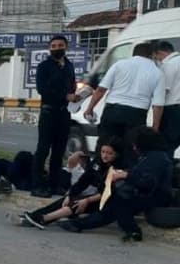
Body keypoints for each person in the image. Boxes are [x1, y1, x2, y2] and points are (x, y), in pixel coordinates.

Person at [60, 127, 173, 242]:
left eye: (135, 144)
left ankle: (131, 230)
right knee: (116, 202)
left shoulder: (156, 158)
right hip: (146, 192)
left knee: (119, 204)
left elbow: (148, 182)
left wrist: (126, 176)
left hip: (156, 195)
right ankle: (78, 223)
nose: (134, 147)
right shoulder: (150, 155)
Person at [20, 139, 124, 228]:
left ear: (117, 154)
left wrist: (86, 200)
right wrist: (70, 194)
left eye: (110, 153)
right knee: (65, 200)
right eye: (103, 152)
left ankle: (43, 219)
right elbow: (83, 181)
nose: (105, 156)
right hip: (96, 195)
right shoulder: (98, 162)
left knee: (77, 203)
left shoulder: (118, 169)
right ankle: (34, 216)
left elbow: (108, 193)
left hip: (108, 201)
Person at [83, 41, 163, 144]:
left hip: (113, 112)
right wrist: (155, 127)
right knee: (131, 148)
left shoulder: (119, 65)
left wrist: (90, 108)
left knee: (106, 145)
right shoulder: (158, 73)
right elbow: (158, 105)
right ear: (152, 55)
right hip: (137, 115)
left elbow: (101, 89)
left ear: (134, 53)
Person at [31, 35, 78, 198]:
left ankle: (54, 183)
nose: (57, 48)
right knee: (43, 149)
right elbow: (41, 88)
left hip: (64, 113)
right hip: (48, 112)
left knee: (59, 151)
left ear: (66, 47)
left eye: (60, 45)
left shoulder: (69, 66)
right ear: (49, 48)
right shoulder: (44, 66)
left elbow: (72, 85)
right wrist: (64, 96)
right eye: (54, 46)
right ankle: (36, 185)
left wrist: (76, 95)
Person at [154, 40, 180, 153]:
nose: (157, 61)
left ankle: (165, 170)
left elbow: (163, 91)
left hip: (172, 110)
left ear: (160, 53)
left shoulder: (168, 65)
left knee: (166, 145)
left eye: (156, 57)